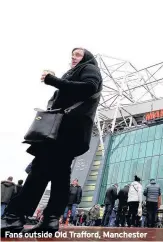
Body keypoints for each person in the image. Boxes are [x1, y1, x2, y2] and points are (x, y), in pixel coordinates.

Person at [1, 48, 102, 236]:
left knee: (39, 171)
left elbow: (90, 87)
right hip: (70, 132)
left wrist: (53, 80)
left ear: (87, 58)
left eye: (78, 54)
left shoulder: (90, 68)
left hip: (65, 131)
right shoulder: (75, 73)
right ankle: (50, 220)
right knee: (60, 176)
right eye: (72, 54)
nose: (74, 57)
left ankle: (14, 217)